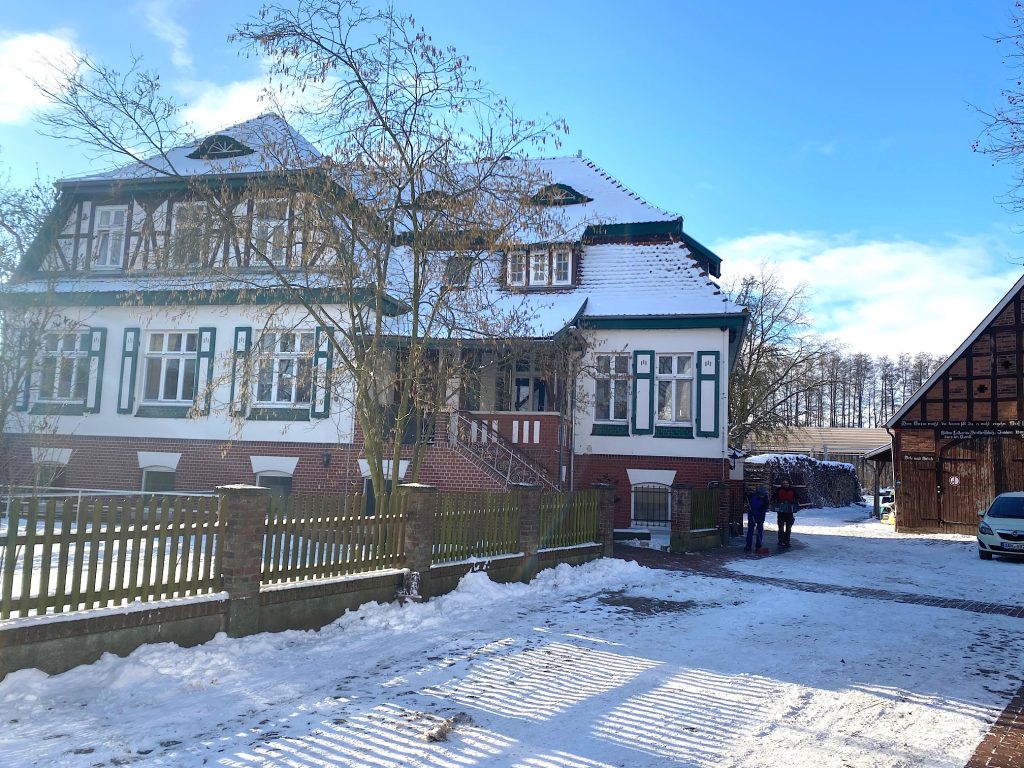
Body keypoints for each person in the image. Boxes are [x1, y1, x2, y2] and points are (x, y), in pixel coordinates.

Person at [745, 485, 769, 553]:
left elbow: (766, 506)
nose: (762, 496)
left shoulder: (765, 498)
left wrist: (763, 510)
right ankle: (748, 545)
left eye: (763, 495)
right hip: (752, 515)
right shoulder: (752, 496)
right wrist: (746, 496)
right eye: (761, 495)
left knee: (760, 531)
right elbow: (747, 501)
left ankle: (758, 546)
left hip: (761, 516)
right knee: (750, 531)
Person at [775, 477, 798, 548]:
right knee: (781, 527)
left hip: (789, 511)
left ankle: (787, 541)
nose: (785, 484)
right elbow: (773, 498)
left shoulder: (792, 490)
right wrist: (777, 504)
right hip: (781, 511)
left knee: (788, 527)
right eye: (784, 483)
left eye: (787, 483)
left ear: (789, 483)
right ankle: (781, 541)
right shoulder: (778, 490)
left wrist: (794, 504)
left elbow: (797, 497)